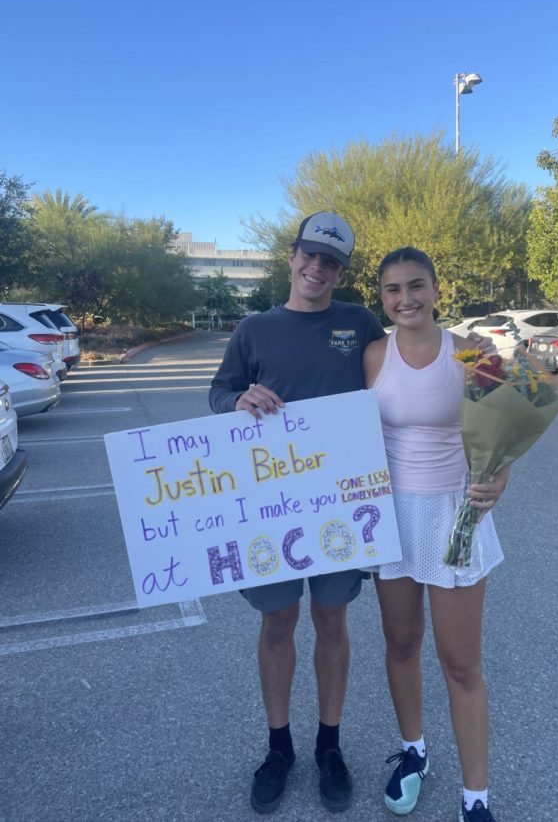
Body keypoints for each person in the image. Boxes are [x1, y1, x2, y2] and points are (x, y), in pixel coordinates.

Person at [209, 211, 386, 815]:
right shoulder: (254, 328)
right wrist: (238, 398)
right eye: (310, 255)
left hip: (340, 506)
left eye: (331, 261)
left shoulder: (360, 323)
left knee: (333, 624)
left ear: (341, 271)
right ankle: (278, 747)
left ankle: (328, 746)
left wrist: (492, 372)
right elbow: (219, 393)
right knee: (278, 623)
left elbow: (405, 377)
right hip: (271, 508)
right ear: (291, 256)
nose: (317, 268)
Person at [363, 246, 509, 822]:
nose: (406, 299)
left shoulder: (477, 353)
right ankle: (413, 753)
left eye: (416, 286)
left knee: (460, 662)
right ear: (382, 297)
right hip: (391, 517)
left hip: (456, 515)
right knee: (401, 644)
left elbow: (507, 431)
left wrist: (500, 478)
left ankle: (476, 799)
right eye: (393, 290)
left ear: (436, 288)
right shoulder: (374, 356)